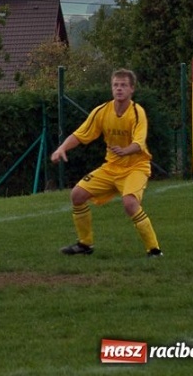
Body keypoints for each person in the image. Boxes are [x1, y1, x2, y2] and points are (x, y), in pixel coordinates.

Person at [51, 68, 163, 258]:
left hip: (136, 167)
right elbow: (80, 134)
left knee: (129, 203)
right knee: (77, 195)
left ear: (131, 89)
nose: (119, 89)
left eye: (123, 85)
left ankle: (154, 250)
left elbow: (139, 143)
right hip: (111, 167)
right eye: (115, 85)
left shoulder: (137, 112)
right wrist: (62, 148)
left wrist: (125, 150)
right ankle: (85, 244)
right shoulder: (102, 111)